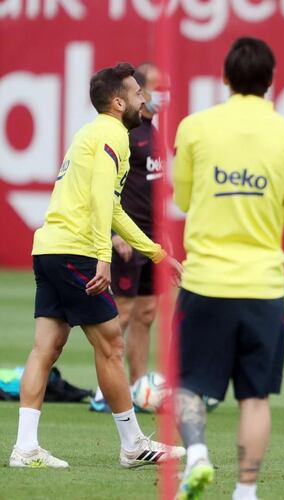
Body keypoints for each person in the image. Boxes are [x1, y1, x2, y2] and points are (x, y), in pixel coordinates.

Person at [9, 63, 185, 469]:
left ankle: (25, 447)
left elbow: (115, 208)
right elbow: (103, 202)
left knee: (46, 347)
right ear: (119, 101)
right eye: (139, 93)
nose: (146, 99)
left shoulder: (90, 133)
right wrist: (103, 257)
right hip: (76, 251)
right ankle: (133, 444)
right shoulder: (112, 135)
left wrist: (156, 253)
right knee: (111, 343)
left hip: (49, 246)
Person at [172, 37, 284, 500]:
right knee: (254, 397)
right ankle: (245, 491)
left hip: (205, 281)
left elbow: (182, 198)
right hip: (263, 286)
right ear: (271, 82)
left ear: (225, 78)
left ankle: (196, 457)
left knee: (189, 386)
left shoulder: (195, 127)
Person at [90, 63, 168, 413]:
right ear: (137, 91)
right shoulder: (124, 133)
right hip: (126, 234)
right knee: (119, 312)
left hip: (151, 234)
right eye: (154, 87)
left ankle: (137, 385)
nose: (161, 94)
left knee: (148, 312)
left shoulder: (153, 130)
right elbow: (104, 186)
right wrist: (111, 233)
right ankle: (102, 388)